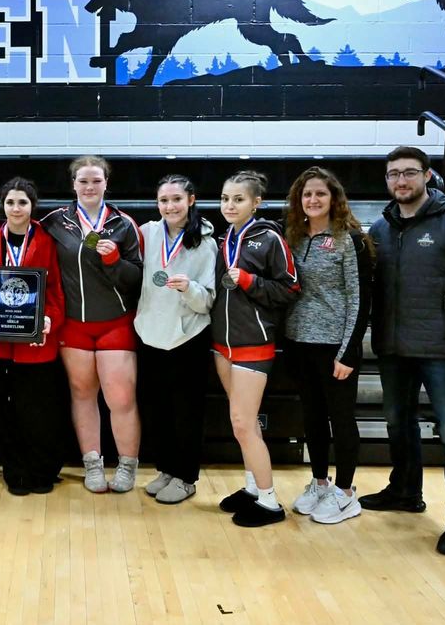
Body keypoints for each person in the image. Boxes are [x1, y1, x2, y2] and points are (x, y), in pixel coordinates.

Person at [359, 146, 445, 556]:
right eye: (393, 174)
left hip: (443, 351)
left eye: (409, 173)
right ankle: (404, 491)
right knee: (399, 426)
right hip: (394, 350)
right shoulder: (380, 230)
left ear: (427, 175)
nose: (401, 181)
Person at [43, 156, 143, 493]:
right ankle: (93, 463)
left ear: (106, 184)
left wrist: (114, 260)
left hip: (115, 322)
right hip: (73, 325)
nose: (89, 187)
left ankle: (127, 466)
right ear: (73, 184)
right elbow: (20, 228)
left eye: (96, 181)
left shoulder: (123, 224)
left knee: (121, 397)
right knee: (83, 394)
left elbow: (137, 278)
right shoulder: (56, 221)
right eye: (83, 181)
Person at [283, 167, 373, 524]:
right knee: (313, 418)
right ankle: (321, 483)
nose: (313, 200)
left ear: (334, 198)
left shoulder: (349, 239)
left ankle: (347, 494)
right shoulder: (294, 236)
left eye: (320, 193)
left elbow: (359, 298)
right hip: (299, 342)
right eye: (307, 195)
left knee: (341, 419)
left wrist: (349, 351)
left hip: (335, 346)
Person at [0, 177, 65, 495]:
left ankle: (40, 469)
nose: (16, 208)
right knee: (2, 410)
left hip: (36, 344)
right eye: (10, 202)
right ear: (2, 205)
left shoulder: (46, 239)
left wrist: (49, 319)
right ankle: (13, 470)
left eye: (22, 202)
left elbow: (55, 292)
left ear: (32, 206)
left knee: (35, 410)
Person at [213, 170, 300, 527]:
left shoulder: (268, 238)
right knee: (243, 426)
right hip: (222, 344)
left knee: (242, 423)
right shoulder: (222, 239)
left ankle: (270, 502)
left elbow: (291, 288)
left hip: (254, 344)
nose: (230, 205)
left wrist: (249, 281)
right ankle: (252, 488)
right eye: (225, 199)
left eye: (239, 199)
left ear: (256, 202)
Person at [135, 175, 217, 505]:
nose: (170, 206)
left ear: (191, 200)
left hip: (187, 338)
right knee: (157, 410)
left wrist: (189, 289)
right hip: (150, 334)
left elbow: (208, 300)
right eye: (164, 200)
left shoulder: (205, 242)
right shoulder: (147, 233)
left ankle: (186, 477)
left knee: (187, 411)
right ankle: (167, 468)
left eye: (176, 199)